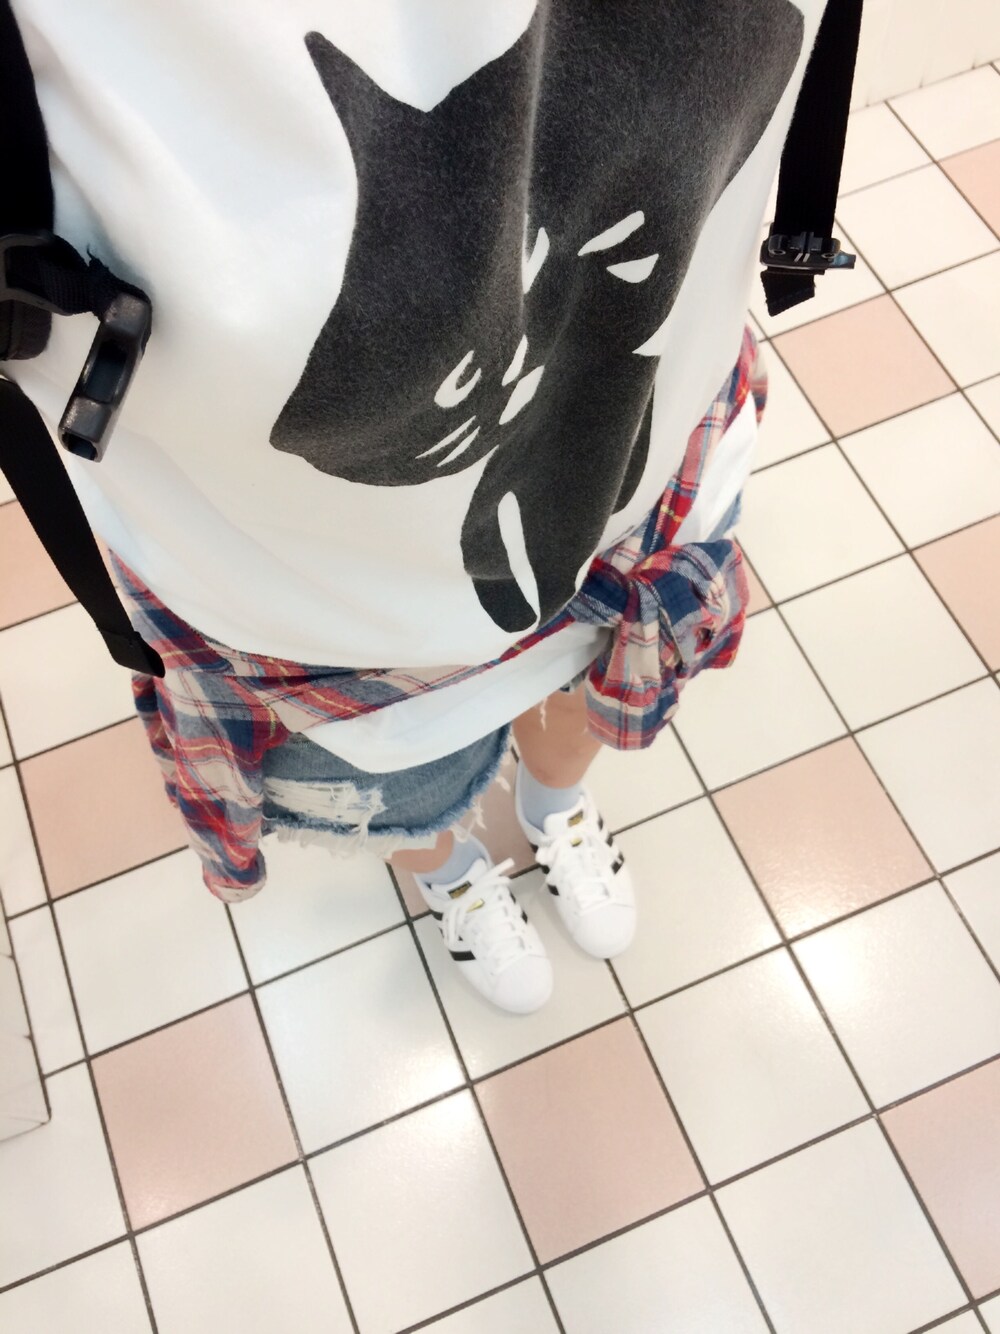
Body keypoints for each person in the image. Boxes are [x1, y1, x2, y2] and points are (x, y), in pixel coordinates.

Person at [5, 0, 819, 1013]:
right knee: (404, 792)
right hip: (293, 603)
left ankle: (553, 806)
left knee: (585, 689)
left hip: (639, 455)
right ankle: (453, 871)